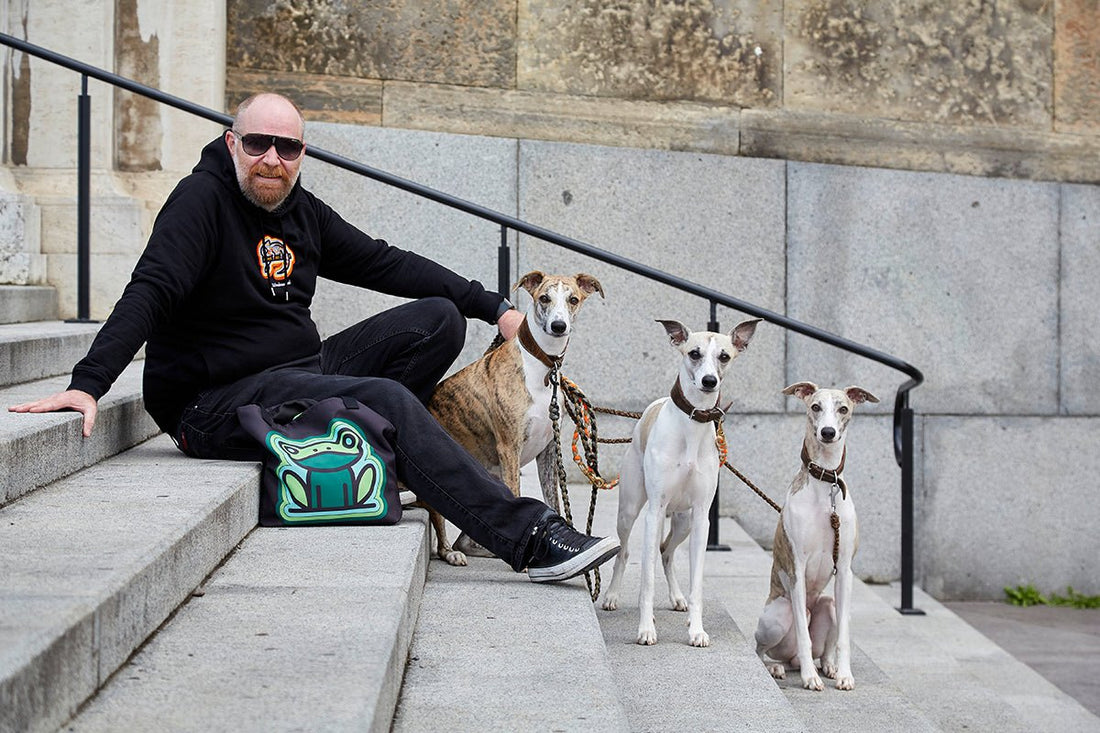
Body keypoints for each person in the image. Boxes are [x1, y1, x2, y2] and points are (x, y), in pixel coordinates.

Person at [8, 92, 619, 583]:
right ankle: (528, 535)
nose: (272, 158)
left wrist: (494, 308)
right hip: (214, 400)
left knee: (438, 318)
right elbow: (152, 288)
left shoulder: (302, 210)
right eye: (257, 144)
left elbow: (385, 262)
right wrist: (88, 383)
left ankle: (377, 445)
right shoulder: (200, 202)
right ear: (232, 143)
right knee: (387, 397)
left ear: (302, 152)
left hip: (299, 371)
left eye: (288, 146)